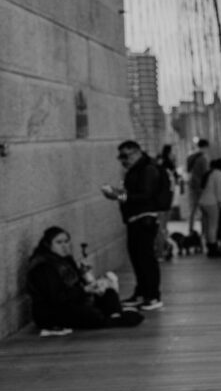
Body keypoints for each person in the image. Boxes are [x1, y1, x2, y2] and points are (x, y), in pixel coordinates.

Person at [26, 226, 144, 334]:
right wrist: (85, 290)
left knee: (109, 293)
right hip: (52, 310)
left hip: (74, 301)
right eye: (59, 242)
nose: (64, 246)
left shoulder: (66, 260)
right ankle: (112, 318)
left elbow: (78, 284)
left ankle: (113, 316)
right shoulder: (43, 266)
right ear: (48, 245)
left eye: (66, 241)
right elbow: (57, 297)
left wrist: (90, 282)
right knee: (90, 315)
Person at [101, 140, 165, 311]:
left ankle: (152, 295)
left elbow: (145, 195)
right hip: (135, 219)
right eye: (120, 156)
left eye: (126, 156)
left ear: (137, 152)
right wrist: (117, 194)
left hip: (144, 219)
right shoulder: (135, 170)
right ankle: (142, 293)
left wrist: (120, 197)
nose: (123, 160)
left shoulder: (147, 169)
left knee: (146, 259)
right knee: (137, 258)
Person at [198, 157, 221, 257]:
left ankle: (208, 246)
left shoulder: (209, 173)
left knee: (207, 226)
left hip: (203, 202)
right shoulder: (219, 174)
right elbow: (219, 190)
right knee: (213, 226)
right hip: (212, 202)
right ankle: (213, 248)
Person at [155, 144, 180, 261]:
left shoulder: (164, 170)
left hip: (163, 203)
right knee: (162, 228)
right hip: (165, 202)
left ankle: (161, 251)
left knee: (161, 228)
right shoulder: (166, 170)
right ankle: (162, 250)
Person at [186, 138, 211, 234]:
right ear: (205, 147)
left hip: (192, 186)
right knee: (204, 210)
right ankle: (204, 232)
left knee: (192, 210)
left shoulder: (191, 157)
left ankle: (190, 230)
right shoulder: (203, 158)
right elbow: (205, 174)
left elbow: (188, 171)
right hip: (200, 187)